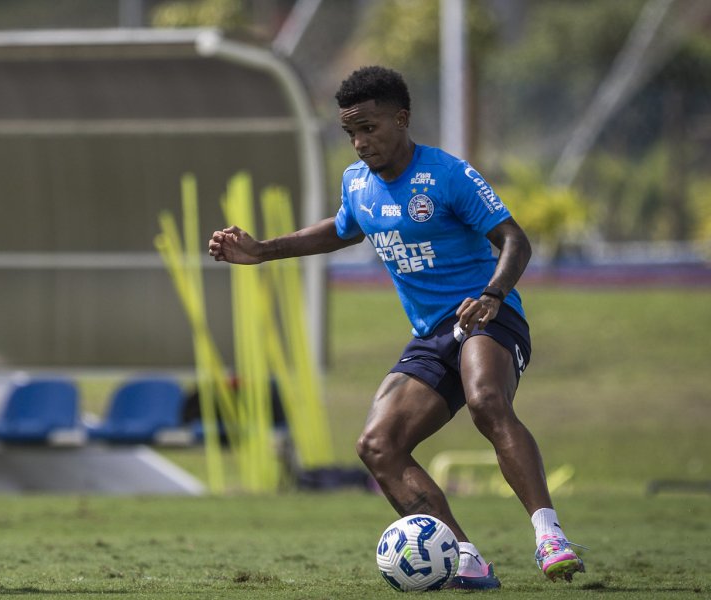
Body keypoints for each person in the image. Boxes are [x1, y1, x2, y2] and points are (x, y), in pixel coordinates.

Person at [208, 66, 584, 589]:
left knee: (485, 400)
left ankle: (550, 536)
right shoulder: (357, 183)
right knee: (377, 445)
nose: (360, 142)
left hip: (489, 316)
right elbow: (344, 229)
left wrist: (493, 295)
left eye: (369, 128)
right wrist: (264, 250)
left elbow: (514, 239)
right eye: (351, 133)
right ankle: (464, 558)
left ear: (401, 119)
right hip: (433, 335)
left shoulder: (447, 175)